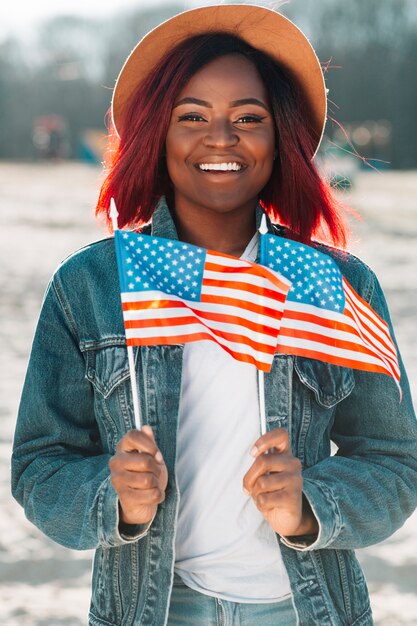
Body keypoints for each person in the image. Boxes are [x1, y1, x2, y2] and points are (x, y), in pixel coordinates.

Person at [11, 5, 417, 626]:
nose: (221, 138)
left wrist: (309, 507)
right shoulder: (92, 285)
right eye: (192, 117)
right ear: (157, 134)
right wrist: (113, 499)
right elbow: (41, 463)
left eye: (248, 118)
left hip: (305, 609)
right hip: (151, 609)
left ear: (278, 137)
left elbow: (394, 460)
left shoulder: (333, 284)